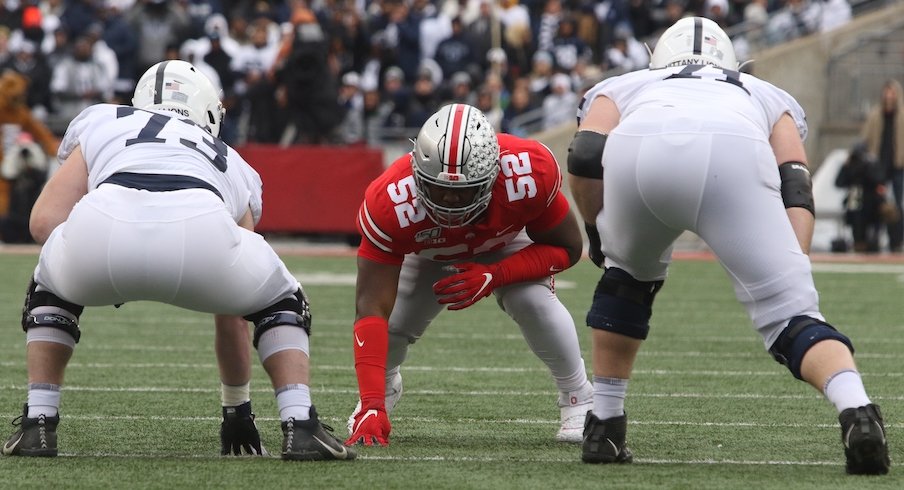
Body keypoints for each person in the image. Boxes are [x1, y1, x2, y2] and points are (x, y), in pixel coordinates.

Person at [566, 17, 890, 475]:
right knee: (791, 316)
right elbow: (795, 182)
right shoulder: (762, 91)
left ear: (658, 56)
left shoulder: (627, 83)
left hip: (639, 152)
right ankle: (856, 410)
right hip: (734, 152)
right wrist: (794, 267)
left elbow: (584, 152)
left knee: (625, 285)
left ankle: (604, 424)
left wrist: (596, 229)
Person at [1, 60, 354, 462]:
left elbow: (43, 223)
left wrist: (98, 263)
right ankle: (300, 425)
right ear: (206, 108)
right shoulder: (231, 159)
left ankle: (39, 424)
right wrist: (236, 409)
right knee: (281, 299)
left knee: (48, 281)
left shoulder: (104, 119)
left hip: (102, 226)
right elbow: (234, 311)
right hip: (201, 231)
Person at [345, 103, 593, 447]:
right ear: (417, 174)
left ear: (493, 175)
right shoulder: (390, 199)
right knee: (394, 324)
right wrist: (370, 403)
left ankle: (578, 394)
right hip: (430, 252)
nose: (448, 201)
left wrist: (496, 274)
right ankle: (380, 394)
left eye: (462, 191)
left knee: (531, 300)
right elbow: (370, 307)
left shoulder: (526, 171)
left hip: (505, 240)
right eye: (436, 188)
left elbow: (568, 249)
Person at [860, 79, 904, 253]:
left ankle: (896, 239)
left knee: (897, 203)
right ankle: (875, 238)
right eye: (887, 92)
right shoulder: (875, 115)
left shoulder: (901, 115)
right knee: (877, 203)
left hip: (898, 165)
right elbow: (865, 137)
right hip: (879, 166)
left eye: (892, 92)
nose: (889, 96)